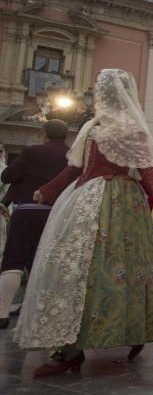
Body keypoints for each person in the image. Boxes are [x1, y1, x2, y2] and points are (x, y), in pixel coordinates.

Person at [16, 70, 153, 376]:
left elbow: (148, 172)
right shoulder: (91, 128)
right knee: (72, 268)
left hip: (120, 205)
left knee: (118, 269)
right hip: (85, 200)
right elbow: (74, 168)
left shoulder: (132, 130)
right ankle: (69, 344)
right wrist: (48, 190)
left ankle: (129, 330)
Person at [0, 121, 71, 329]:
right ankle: (42, 310)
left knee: (14, 259)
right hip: (57, 213)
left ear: (44, 134)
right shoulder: (72, 156)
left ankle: (2, 312)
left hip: (27, 210)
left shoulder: (31, 152)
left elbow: (7, 176)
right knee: (48, 262)